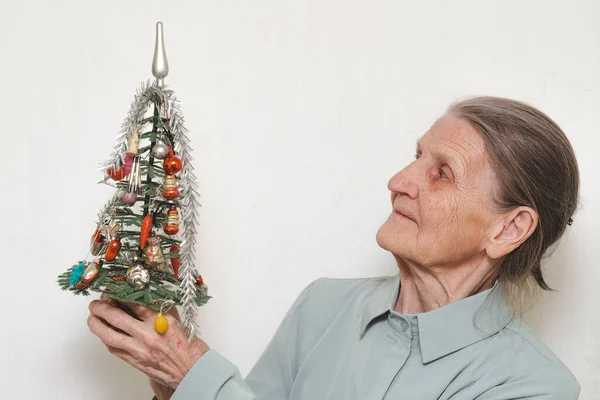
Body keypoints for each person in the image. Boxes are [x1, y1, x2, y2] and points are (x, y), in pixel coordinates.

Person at [88, 96, 581, 399]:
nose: (399, 181)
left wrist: (199, 377)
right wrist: (177, 386)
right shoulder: (322, 306)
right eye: (415, 158)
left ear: (508, 229)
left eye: (442, 173)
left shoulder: (532, 388)